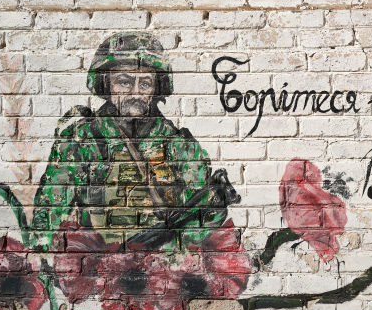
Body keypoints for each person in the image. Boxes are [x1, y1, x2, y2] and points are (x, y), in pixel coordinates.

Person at [30, 32, 237, 250]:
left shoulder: (179, 146)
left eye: (145, 83)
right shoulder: (81, 141)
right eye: (124, 82)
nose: (135, 93)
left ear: (156, 88)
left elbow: (199, 233)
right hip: (98, 273)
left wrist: (212, 210)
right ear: (105, 84)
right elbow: (48, 220)